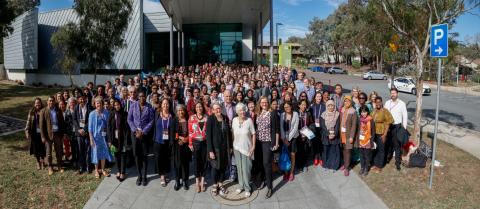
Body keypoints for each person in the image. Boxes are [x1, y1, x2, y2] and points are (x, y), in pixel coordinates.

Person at [127, 91, 155, 186]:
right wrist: (135, 130)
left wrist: (143, 132)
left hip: (144, 135)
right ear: (138, 97)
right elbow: (129, 119)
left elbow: (151, 121)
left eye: (143, 96)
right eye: (140, 96)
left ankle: (144, 176)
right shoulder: (133, 105)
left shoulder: (149, 107)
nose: (142, 98)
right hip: (135, 135)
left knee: (144, 155)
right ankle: (139, 175)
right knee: (137, 155)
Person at [206, 102, 232, 196]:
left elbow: (229, 134)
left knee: (223, 166)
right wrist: (210, 150)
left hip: (225, 147)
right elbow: (208, 136)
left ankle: (221, 184)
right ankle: (214, 185)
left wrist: (230, 147)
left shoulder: (225, 117)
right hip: (215, 148)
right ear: (212, 110)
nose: (218, 110)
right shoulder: (211, 119)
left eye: (219, 108)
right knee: (215, 167)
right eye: (215, 109)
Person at [232, 103, 256, 198]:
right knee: (239, 168)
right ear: (237, 112)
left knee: (246, 169)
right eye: (240, 110)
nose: (242, 112)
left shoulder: (249, 120)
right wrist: (233, 144)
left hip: (247, 148)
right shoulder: (234, 120)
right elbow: (233, 133)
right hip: (236, 148)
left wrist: (253, 146)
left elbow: (254, 134)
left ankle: (247, 188)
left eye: (243, 110)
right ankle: (241, 185)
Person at [39, 96, 65, 175]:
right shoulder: (43, 111)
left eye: (52, 101)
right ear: (47, 102)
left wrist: (62, 134)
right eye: (50, 101)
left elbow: (62, 123)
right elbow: (41, 125)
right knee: (49, 152)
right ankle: (50, 167)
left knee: (59, 151)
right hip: (48, 135)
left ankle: (59, 165)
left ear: (54, 102)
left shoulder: (58, 110)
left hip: (57, 133)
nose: (51, 102)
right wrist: (43, 136)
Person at [88, 96, 113, 178]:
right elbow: (90, 128)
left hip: (104, 137)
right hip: (95, 137)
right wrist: (91, 139)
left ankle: (102, 169)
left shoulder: (106, 112)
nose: (98, 104)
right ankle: (96, 170)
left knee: (103, 153)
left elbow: (109, 126)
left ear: (102, 103)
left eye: (100, 102)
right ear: (94, 104)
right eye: (97, 102)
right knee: (95, 154)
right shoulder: (91, 114)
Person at [384, 88, 408, 171]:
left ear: (397, 94)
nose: (393, 94)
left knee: (397, 146)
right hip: (388, 126)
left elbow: (405, 116)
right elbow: (384, 114)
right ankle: (387, 158)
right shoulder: (387, 103)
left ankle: (398, 163)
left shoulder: (402, 104)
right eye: (391, 93)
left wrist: (404, 128)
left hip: (397, 127)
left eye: (394, 93)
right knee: (388, 143)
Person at [152, 98, 173, 187]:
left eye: (167, 104)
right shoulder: (157, 114)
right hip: (158, 140)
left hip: (168, 141)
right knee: (159, 158)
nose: (165, 105)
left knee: (166, 158)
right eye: (164, 104)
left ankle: (165, 172)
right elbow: (153, 126)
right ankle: (162, 176)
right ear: (161, 105)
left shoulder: (172, 116)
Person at [188, 102, 208, 193]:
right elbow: (190, 131)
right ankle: (197, 182)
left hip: (205, 143)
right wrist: (190, 143)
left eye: (200, 106)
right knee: (196, 163)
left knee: (204, 162)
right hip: (195, 143)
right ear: (195, 108)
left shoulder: (206, 117)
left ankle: (202, 181)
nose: (199, 108)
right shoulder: (192, 118)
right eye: (197, 107)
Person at [371, 96, 394, 173]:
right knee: (375, 149)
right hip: (374, 133)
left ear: (381, 102)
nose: (378, 103)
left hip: (381, 133)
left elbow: (388, 123)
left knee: (381, 150)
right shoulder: (374, 111)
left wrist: (384, 135)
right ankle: (375, 164)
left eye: (379, 102)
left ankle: (380, 166)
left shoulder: (385, 111)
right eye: (376, 102)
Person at [172, 104, 192, 191]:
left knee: (185, 164)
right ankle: (177, 181)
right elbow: (172, 132)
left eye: (182, 110)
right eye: (179, 110)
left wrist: (186, 139)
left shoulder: (188, 120)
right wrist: (179, 138)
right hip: (177, 145)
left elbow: (191, 132)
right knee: (177, 164)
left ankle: (185, 180)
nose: (181, 112)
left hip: (186, 145)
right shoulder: (174, 120)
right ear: (176, 112)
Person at [107, 99, 128, 182]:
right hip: (114, 139)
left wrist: (126, 140)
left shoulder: (125, 113)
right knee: (116, 155)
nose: (116, 106)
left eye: (118, 104)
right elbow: (108, 127)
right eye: (115, 105)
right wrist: (109, 140)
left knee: (123, 155)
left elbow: (127, 128)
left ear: (120, 105)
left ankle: (123, 172)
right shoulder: (112, 114)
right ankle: (118, 171)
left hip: (122, 138)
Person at [73, 94, 92, 174]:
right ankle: (81, 166)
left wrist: (84, 129)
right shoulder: (76, 107)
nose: (82, 101)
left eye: (83, 99)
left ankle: (88, 166)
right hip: (79, 133)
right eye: (80, 99)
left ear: (86, 99)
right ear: (78, 100)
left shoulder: (89, 107)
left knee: (87, 150)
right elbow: (74, 120)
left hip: (87, 132)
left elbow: (90, 120)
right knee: (80, 150)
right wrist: (79, 129)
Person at [280, 101, 299, 181]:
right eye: (285, 107)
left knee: (292, 155)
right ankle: (285, 172)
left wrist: (289, 139)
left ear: (291, 106)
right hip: (284, 139)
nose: (286, 108)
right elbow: (281, 127)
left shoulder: (295, 114)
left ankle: (291, 172)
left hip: (293, 137)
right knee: (285, 156)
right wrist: (284, 138)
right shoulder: (282, 115)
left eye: (288, 106)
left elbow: (295, 128)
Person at [25, 98, 46, 170]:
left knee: (42, 148)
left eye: (39, 103)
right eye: (36, 103)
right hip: (34, 133)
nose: (38, 104)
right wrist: (27, 130)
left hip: (42, 133)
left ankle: (42, 161)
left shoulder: (44, 110)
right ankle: (38, 162)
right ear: (34, 104)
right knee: (35, 148)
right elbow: (28, 121)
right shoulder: (31, 112)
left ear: (41, 103)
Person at [339, 96, 357, 176]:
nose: (347, 103)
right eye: (345, 101)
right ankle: (344, 163)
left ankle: (347, 167)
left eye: (348, 101)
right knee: (343, 149)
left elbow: (354, 125)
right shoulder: (342, 109)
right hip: (342, 134)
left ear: (351, 102)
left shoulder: (353, 111)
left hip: (349, 134)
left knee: (348, 151)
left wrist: (352, 137)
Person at [321, 100, 341, 171]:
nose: (330, 107)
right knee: (326, 151)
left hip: (335, 136)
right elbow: (322, 126)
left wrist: (334, 134)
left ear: (334, 106)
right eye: (328, 105)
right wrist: (328, 134)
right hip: (326, 136)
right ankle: (326, 165)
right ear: (326, 106)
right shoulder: (323, 114)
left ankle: (334, 166)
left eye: (332, 105)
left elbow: (338, 125)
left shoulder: (337, 114)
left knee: (334, 151)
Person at [355, 106, 375, 176]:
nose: (363, 113)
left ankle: (366, 168)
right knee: (361, 155)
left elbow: (373, 131)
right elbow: (357, 130)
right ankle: (362, 167)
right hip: (360, 140)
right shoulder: (359, 119)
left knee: (367, 155)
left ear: (367, 112)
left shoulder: (370, 120)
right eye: (362, 112)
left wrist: (371, 140)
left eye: (365, 112)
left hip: (368, 140)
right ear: (360, 112)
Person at [297, 99, 313, 173]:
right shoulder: (296, 114)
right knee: (299, 150)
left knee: (306, 150)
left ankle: (304, 164)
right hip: (298, 135)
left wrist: (307, 131)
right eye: (302, 104)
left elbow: (311, 124)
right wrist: (300, 132)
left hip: (306, 134)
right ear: (299, 105)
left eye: (305, 104)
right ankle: (299, 165)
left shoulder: (308, 113)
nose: (304, 106)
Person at [310, 92, 325, 166]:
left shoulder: (324, 106)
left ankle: (321, 158)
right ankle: (316, 157)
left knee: (321, 142)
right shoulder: (312, 106)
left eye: (320, 96)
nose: (319, 98)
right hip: (314, 127)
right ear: (315, 97)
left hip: (321, 127)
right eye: (317, 96)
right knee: (315, 143)